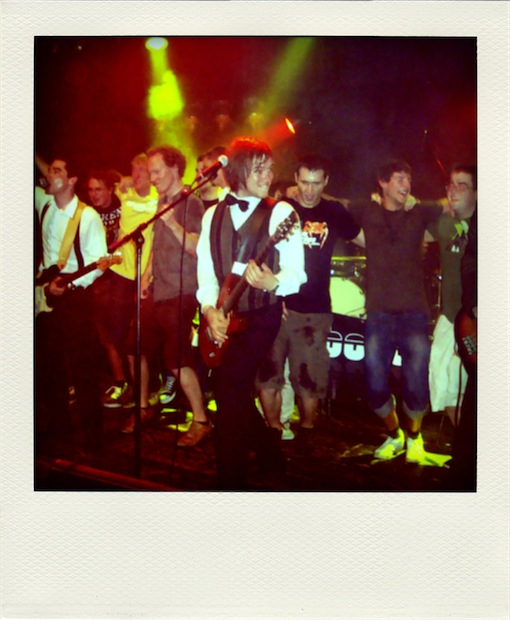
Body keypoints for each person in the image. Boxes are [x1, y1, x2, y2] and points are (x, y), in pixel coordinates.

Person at [196, 136, 306, 489]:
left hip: (261, 317)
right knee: (229, 390)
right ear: (238, 171)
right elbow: (206, 273)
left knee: (229, 390)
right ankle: (270, 454)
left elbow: (297, 272)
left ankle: (231, 484)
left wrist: (274, 282)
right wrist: (209, 311)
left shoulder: (282, 212)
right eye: (259, 169)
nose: (268, 175)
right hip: (224, 315)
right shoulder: (212, 214)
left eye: (270, 168)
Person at [256, 155, 364, 454]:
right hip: (275, 305)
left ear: (326, 182)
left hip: (315, 310)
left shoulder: (334, 211)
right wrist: (273, 295)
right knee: (268, 375)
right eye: (304, 182)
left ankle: (306, 432)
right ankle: (273, 432)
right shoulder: (280, 209)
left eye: (316, 183)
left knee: (309, 379)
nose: (309, 190)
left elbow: (366, 239)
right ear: (295, 178)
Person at [347, 160, 446, 463]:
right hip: (378, 314)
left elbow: (450, 203)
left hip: (414, 313)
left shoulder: (418, 212)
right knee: (375, 383)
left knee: (416, 380)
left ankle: (415, 437)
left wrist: (422, 201)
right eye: (400, 179)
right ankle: (394, 434)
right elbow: (337, 205)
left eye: (409, 180)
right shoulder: (368, 211)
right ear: (383, 182)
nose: (406, 185)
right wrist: (296, 192)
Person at [122, 145, 209, 448]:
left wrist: (172, 222)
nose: (153, 177)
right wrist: (146, 275)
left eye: (157, 171)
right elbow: (156, 243)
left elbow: (196, 247)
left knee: (177, 359)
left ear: (174, 169)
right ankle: (143, 406)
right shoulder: (161, 200)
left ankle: (201, 420)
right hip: (158, 289)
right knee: (134, 346)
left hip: (180, 291)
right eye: (150, 171)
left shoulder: (192, 202)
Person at [35, 156, 107, 457]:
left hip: (75, 298)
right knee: (49, 367)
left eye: (57, 171)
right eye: (50, 170)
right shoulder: (46, 204)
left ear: (72, 180)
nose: (50, 175)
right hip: (46, 295)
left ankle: (93, 438)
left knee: (83, 369)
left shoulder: (87, 216)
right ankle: (59, 428)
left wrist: (71, 285)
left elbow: (99, 263)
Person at [92, 154, 160, 409]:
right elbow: (112, 176)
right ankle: (130, 386)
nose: (137, 173)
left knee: (145, 335)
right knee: (119, 334)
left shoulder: (159, 197)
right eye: (134, 168)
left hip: (147, 275)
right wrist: (128, 179)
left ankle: (152, 387)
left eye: (143, 169)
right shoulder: (125, 193)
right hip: (121, 273)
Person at [428, 165, 477, 428]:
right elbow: (411, 223)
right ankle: (468, 444)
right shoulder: (445, 223)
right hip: (450, 319)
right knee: (442, 384)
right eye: (451, 184)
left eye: (462, 185)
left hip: (475, 322)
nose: (453, 190)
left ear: (477, 193)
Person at [86, 168, 122, 248]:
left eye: (98, 190)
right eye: (90, 190)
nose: (93, 194)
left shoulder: (122, 205)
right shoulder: (87, 212)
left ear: (110, 190)